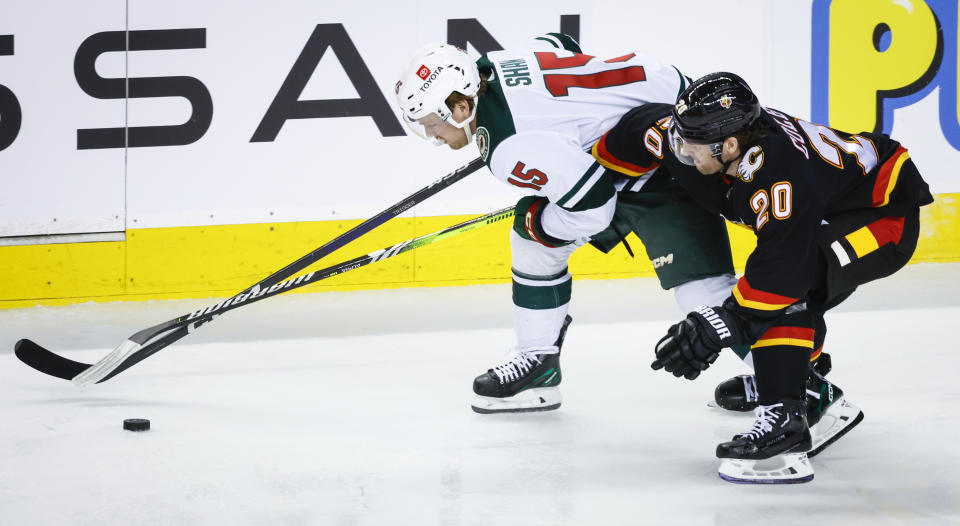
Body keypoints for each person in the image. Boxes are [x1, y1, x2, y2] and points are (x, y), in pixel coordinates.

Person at [395, 35, 739, 414]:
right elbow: (560, 43)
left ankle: (794, 383)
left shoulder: (509, 148)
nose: (432, 136)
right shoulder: (494, 62)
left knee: (703, 296)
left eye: (432, 124)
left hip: (675, 152)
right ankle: (537, 362)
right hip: (678, 108)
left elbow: (595, 208)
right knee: (532, 242)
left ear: (461, 106)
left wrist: (544, 225)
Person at [644, 72, 933, 483]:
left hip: (882, 217)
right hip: (832, 200)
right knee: (778, 288)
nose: (682, 152)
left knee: (781, 292)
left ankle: (789, 421)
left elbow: (781, 277)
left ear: (729, 145)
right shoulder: (725, 139)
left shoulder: (779, 174)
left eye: (691, 146)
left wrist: (718, 325)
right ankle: (799, 379)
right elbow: (641, 128)